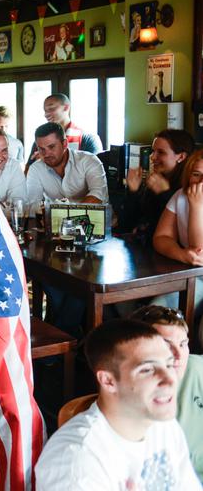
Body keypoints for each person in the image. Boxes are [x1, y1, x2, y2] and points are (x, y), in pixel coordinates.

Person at [35, 319, 201, 490]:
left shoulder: (162, 424)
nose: (169, 380)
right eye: (147, 370)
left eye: (168, 364)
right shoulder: (77, 460)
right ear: (108, 381)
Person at [131, 305, 203, 479]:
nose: (178, 355)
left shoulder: (197, 369)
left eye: (183, 344)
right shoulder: (130, 398)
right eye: (166, 344)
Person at [151, 148, 203, 326]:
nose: (202, 182)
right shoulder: (181, 195)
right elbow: (162, 236)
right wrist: (181, 254)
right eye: (197, 174)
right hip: (192, 276)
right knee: (156, 317)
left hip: (197, 276)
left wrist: (196, 207)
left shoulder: (193, 199)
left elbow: (199, 251)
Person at [118, 129, 194, 247]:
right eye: (153, 151)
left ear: (181, 156)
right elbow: (126, 225)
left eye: (161, 152)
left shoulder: (191, 185)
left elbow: (184, 230)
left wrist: (166, 194)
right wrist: (133, 191)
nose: (153, 157)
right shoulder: (154, 181)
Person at [25, 122, 108, 217]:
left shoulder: (89, 160)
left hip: (95, 223)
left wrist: (69, 218)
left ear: (64, 144)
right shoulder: (35, 169)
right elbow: (33, 205)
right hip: (56, 225)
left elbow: (98, 195)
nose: (46, 154)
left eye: (51, 147)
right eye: (41, 149)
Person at [28, 94, 102, 164]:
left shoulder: (88, 138)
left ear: (66, 107)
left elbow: (95, 169)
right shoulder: (41, 139)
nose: (46, 114)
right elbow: (28, 170)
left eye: (51, 109)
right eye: (45, 111)